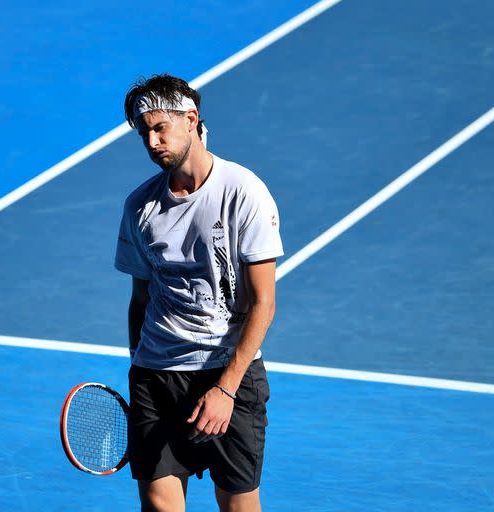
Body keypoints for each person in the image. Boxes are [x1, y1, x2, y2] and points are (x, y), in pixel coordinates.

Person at [114, 74, 283, 512]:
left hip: (226, 370)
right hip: (156, 375)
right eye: (142, 132)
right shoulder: (139, 206)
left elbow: (263, 303)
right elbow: (140, 300)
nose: (151, 141)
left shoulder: (243, 191)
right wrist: (139, 374)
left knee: (238, 506)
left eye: (158, 127)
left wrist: (226, 389)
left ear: (190, 120)